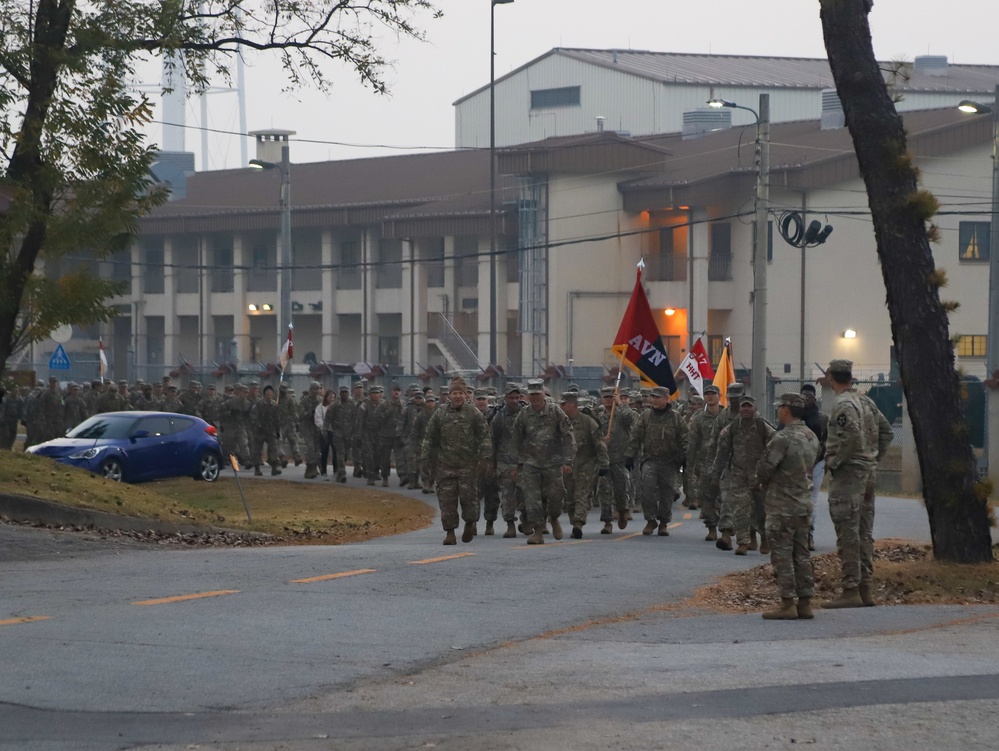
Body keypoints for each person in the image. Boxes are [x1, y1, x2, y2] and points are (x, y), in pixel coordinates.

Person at [755, 392, 820, 620]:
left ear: (786, 410)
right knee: (801, 554)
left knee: (782, 555)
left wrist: (761, 482)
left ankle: (787, 603)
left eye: (779, 407)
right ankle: (805, 602)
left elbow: (765, 469)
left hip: (782, 505)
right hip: (803, 505)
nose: (778, 411)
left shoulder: (782, 438)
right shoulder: (811, 436)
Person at [822, 359, 878, 609]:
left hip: (848, 476)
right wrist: (871, 458)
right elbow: (885, 431)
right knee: (864, 532)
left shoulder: (843, 403)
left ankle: (850, 589)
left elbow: (852, 435)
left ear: (831, 377)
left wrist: (837, 461)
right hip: (867, 473)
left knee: (848, 533)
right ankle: (866, 588)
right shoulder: (865, 401)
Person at [421, 378, 492, 545]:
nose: (458, 396)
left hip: (468, 466)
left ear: (466, 395)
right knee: (447, 502)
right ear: (449, 395)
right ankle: (450, 532)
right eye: (455, 393)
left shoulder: (474, 413)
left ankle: (470, 522)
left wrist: (485, 458)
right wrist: (425, 458)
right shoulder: (440, 413)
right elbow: (429, 437)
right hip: (445, 466)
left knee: (469, 499)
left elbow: (484, 437)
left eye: (461, 393)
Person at [511, 379, 576, 545]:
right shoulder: (524, 414)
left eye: (537, 394)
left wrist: (568, 460)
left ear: (543, 394)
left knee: (556, 497)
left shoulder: (556, 412)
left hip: (553, 463)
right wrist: (516, 464)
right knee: (532, 499)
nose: (535, 398)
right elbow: (516, 440)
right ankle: (538, 531)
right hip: (531, 463)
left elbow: (568, 435)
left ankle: (554, 518)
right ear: (527, 396)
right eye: (531, 395)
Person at [712, 395, 775, 555]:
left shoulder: (763, 427)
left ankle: (765, 538)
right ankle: (743, 542)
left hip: (759, 476)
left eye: (749, 406)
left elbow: (776, 447)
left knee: (761, 510)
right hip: (738, 474)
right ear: (739, 409)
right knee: (741, 510)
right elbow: (722, 453)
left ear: (755, 409)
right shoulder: (732, 428)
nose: (746, 409)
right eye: (743, 407)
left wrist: (770, 470)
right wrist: (715, 474)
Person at [627, 385, 688, 537]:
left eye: (657, 397)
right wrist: (629, 454)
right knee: (647, 491)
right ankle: (650, 520)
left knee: (667, 493)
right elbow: (635, 436)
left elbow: (685, 439)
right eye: (652, 397)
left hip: (669, 462)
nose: (653, 400)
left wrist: (687, 457)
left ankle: (663, 523)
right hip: (650, 460)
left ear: (666, 399)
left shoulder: (676, 417)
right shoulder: (646, 416)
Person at [560, 391, 609, 539]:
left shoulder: (588, 422)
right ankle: (574, 520)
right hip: (566, 466)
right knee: (569, 497)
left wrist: (604, 463)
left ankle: (578, 523)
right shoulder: (560, 422)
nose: (561, 406)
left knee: (581, 494)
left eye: (564, 404)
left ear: (573, 405)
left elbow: (599, 444)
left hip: (585, 464)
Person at [595, 385, 637, 533]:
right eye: (605, 397)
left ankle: (622, 511)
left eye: (610, 397)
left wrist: (620, 404)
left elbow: (633, 420)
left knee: (621, 489)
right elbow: (592, 435)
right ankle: (607, 522)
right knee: (604, 491)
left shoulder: (621, 414)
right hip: (604, 460)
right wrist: (601, 441)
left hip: (620, 458)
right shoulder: (598, 417)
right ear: (601, 399)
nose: (608, 400)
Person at [687, 384, 724, 541]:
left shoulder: (726, 417)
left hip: (724, 462)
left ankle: (727, 527)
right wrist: (690, 465)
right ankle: (711, 527)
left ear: (719, 396)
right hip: (705, 463)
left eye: (713, 394)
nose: (710, 396)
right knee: (706, 496)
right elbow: (693, 442)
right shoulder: (699, 419)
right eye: (707, 394)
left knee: (725, 497)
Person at [491, 383, 526, 537]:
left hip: (524, 462)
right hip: (504, 461)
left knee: (526, 493)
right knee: (508, 494)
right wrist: (492, 464)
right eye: (511, 398)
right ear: (505, 398)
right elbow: (493, 440)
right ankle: (510, 524)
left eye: (517, 397)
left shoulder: (526, 414)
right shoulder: (498, 417)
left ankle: (526, 519)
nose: (514, 400)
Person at [800, 384, 829, 550]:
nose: (806, 399)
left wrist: (818, 461)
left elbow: (827, 442)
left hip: (817, 464)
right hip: (796, 464)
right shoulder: (794, 416)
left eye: (809, 397)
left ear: (814, 399)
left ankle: (809, 535)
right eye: (803, 396)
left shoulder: (822, 419)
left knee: (812, 499)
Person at [250, 385, 282, 476]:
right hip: (260, 430)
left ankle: (274, 468)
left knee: (273, 448)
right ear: (264, 394)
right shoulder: (258, 404)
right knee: (257, 449)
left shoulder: (274, 405)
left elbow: (277, 419)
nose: (269, 394)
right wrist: (257, 426)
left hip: (270, 430)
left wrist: (277, 431)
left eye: (271, 393)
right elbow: (253, 416)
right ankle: (257, 468)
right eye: (267, 393)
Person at [314, 389, 336, 477]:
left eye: (333, 398)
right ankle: (324, 471)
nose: (332, 399)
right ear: (326, 397)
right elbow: (318, 419)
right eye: (330, 397)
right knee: (324, 452)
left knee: (336, 452)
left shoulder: (337, 407)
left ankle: (336, 471)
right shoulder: (320, 407)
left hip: (334, 432)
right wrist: (324, 428)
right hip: (324, 432)